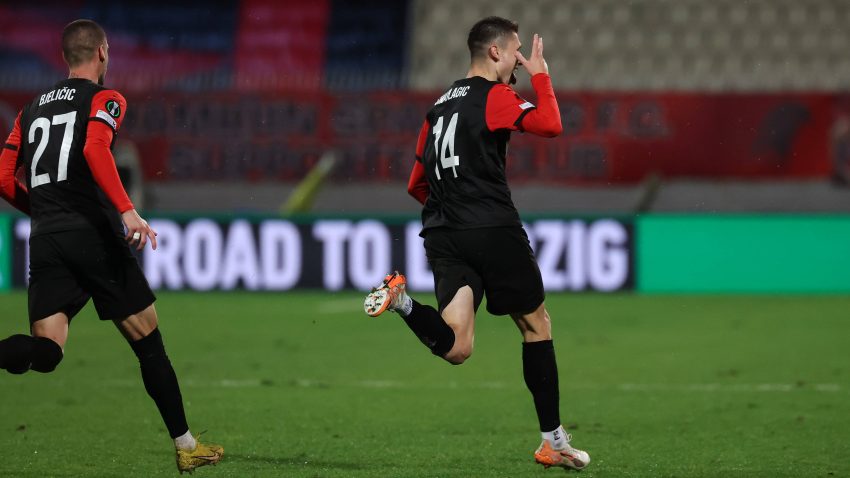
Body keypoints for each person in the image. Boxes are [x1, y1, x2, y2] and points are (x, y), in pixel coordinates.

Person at [364, 16, 590, 470]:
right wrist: (542, 75)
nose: (520, 60)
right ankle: (553, 441)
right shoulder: (494, 96)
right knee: (536, 325)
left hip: (443, 232)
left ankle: (402, 302)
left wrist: (454, 212)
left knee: (457, 347)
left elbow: (416, 184)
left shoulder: (436, 109)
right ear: (495, 52)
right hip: (492, 228)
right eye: (516, 51)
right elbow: (551, 125)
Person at [0, 19, 223, 474]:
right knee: (148, 342)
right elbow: (94, 149)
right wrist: (127, 210)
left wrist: (44, 213)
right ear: (102, 51)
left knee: (47, 352)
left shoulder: (29, 110)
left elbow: (3, 178)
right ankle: (186, 446)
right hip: (93, 235)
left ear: (65, 55)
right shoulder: (106, 98)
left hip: (46, 240)